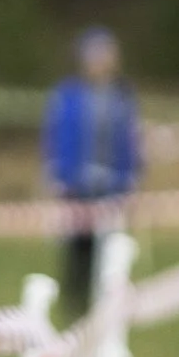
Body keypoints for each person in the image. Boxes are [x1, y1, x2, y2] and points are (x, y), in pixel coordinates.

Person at [40, 26, 141, 314]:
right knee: (77, 251)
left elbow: (131, 142)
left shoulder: (122, 97)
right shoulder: (67, 95)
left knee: (111, 251)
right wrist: (57, 174)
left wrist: (131, 176)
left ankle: (108, 308)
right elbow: (55, 137)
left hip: (113, 186)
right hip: (76, 185)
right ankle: (76, 308)